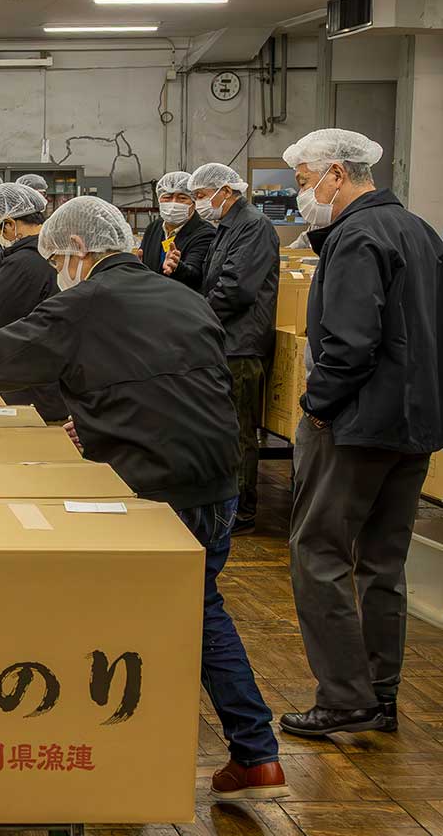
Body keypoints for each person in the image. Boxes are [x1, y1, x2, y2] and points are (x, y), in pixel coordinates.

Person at [0, 196, 288, 801]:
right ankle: (236, 748)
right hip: (219, 477)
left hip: (163, 483)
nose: (56, 271)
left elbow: (0, 357)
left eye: (57, 259)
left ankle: (175, 747)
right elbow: (173, 384)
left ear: (78, 252)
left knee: (174, 611)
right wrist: (101, 423)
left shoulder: (85, 303)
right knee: (198, 602)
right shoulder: (181, 295)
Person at [277, 129, 443, 737]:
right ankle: (380, 691)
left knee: (318, 555)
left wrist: (318, 406)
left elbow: (350, 344)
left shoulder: (356, 237)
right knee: (383, 563)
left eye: (303, 183)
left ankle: (344, 696)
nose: (302, 197)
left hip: (353, 426)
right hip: (412, 426)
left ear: (337, 176)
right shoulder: (421, 231)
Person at [191, 162, 279, 536]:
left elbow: (236, 288)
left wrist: (196, 320)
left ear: (224, 192)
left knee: (239, 430)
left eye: (199, 196)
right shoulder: (227, 227)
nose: (197, 204)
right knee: (223, 426)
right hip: (224, 340)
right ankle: (224, 501)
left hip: (241, 344)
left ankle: (241, 510)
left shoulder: (252, 226)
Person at [0, 183, 69, 423]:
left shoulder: (23, 262)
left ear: (11, 225)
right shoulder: (55, 254)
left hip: (30, 384)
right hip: (56, 379)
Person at [140, 171, 214, 291]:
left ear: (194, 203)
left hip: (181, 302)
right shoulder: (154, 227)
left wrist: (177, 268)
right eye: (167, 197)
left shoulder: (205, 234)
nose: (173, 203)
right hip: (152, 297)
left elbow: (196, 275)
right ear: (159, 200)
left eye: (182, 198)